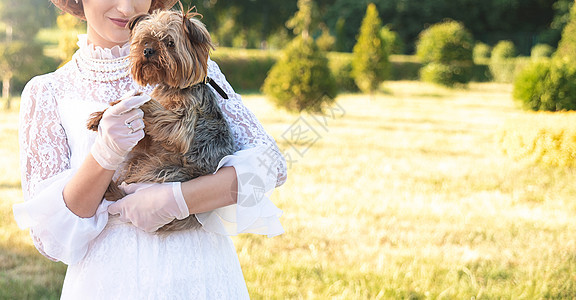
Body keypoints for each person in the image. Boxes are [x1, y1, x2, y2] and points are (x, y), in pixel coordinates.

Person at [12, 0, 287, 298]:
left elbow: (272, 167)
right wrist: (104, 155)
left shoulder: (196, 70)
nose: (127, 7)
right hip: (107, 283)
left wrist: (179, 200)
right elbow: (50, 238)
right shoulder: (48, 92)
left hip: (199, 275)